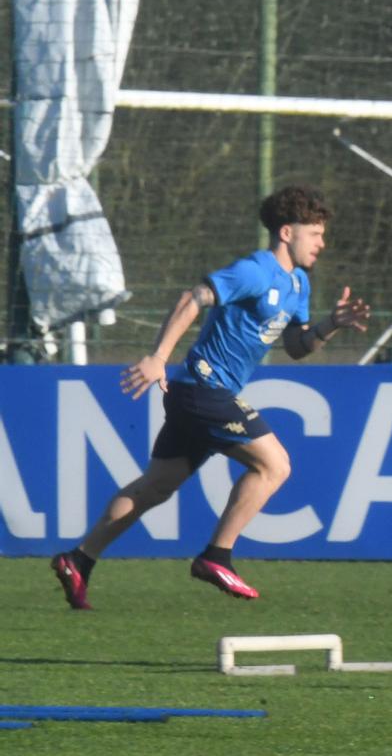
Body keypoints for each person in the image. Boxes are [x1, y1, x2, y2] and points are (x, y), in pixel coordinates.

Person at [48, 185, 372, 609]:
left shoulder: (299, 285)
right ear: (288, 232)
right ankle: (216, 556)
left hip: (200, 395)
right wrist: (158, 357)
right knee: (275, 465)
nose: (322, 243)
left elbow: (296, 345)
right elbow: (193, 297)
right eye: (315, 233)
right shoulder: (256, 270)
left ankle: (79, 559)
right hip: (202, 388)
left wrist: (330, 324)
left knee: (155, 488)